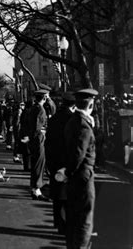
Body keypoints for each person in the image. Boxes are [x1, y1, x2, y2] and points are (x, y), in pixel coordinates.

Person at [64, 88, 98, 249]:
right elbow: (78, 154)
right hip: (83, 174)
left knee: (74, 216)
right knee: (85, 218)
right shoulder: (83, 125)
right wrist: (69, 171)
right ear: (90, 104)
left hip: (75, 175)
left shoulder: (73, 121)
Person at [45, 92, 76, 234]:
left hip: (54, 161)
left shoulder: (53, 119)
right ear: (74, 105)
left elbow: (48, 143)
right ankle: (66, 224)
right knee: (68, 196)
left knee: (57, 194)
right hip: (67, 163)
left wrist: (49, 162)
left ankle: (58, 222)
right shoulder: (73, 120)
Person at [26, 89, 53, 200]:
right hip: (39, 138)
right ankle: (37, 189)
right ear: (44, 98)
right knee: (39, 164)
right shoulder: (40, 109)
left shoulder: (33, 108)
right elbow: (38, 127)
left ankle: (35, 189)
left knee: (36, 164)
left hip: (34, 139)